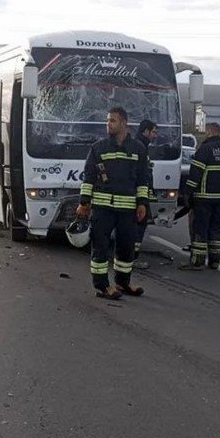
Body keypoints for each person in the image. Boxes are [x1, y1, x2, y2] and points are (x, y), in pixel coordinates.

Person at [76, 107, 149, 300]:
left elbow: (143, 178)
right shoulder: (98, 148)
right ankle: (102, 286)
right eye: (107, 121)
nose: (108, 124)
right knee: (100, 246)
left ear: (124, 123)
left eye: (112, 121)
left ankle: (123, 283)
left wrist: (142, 203)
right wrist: (84, 202)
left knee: (126, 246)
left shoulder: (138, 149)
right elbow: (88, 177)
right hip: (103, 208)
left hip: (127, 208)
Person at [180, 122, 220, 270]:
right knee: (215, 227)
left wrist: (187, 192)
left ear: (209, 132)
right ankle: (214, 259)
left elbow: (195, 173)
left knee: (200, 227)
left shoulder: (205, 149)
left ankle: (198, 260)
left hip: (204, 196)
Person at [133, 119, 157, 269]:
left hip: (139, 192)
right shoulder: (140, 146)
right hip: (138, 194)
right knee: (138, 225)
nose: (155, 135)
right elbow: (141, 173)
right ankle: (132, 258)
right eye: (153, 132)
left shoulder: (140, 145)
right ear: (146, 131)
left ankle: (130, 256)